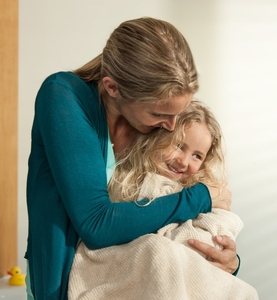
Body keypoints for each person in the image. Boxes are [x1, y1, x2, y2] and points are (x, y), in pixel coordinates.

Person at [25, 17, 238, 300]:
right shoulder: (63, 96)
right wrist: (201, 197)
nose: (172, 126)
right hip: (66, 286)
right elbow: (97, 224)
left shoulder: (152, 128)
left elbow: (170, 216)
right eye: (159, 113)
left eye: (178, 113)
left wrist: (224, 260)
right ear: (112, 88)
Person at [68, 100, 258, 300]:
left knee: (245, 292)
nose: (183, 161)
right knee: (159, 250)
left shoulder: (206, 192)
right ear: (157, 136)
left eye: (196, 156)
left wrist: (231, 261)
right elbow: (116, 233)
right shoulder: (126, 181)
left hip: (179, 274)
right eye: (178, 145)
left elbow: (211, 239)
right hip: (123, 273)